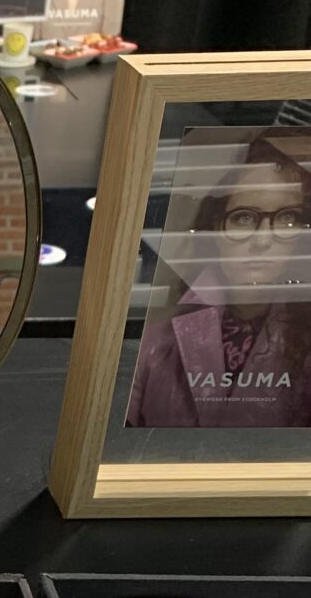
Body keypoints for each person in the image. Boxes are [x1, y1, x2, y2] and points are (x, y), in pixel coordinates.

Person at [126, 141, 311, 428]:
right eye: (244, 218)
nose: (263, 240)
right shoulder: (155, 344)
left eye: (287, 218)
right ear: (215, 228)